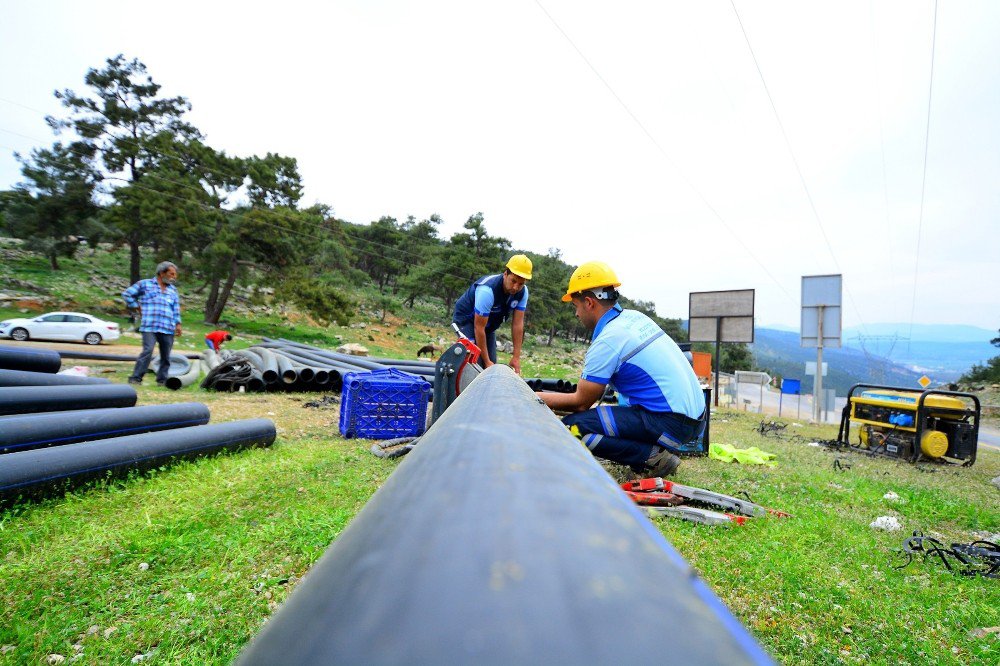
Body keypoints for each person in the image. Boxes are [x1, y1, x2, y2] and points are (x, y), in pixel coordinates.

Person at [537, 261, 705, 478]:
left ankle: (652, 457)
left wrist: (533, 397)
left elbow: (580, 403)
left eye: (575, 306)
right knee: (605, 418)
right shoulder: (635, 318)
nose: (576, 314)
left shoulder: (608, 340)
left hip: (672, 424)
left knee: (573, 428)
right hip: (696, 419)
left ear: (589, 303)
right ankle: (649, 452)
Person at [452, 254, 532, 374]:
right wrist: (486, 361)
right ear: (505, 274)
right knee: (476, 364)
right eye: (513, 281)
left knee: (490, 366)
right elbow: (478, 327)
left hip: (488, 326)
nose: (516, 287)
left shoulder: (523, 292)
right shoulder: (487, 290)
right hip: (466, 321)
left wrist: (516, 357)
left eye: (520, 284)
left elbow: (517, 325)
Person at [122, 261, 182, 385]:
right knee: (147, 351)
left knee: (166, 355)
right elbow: (127, 294)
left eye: (175, 274)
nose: (174, 277)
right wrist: (136, 306)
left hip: (167, 327)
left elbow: (175, 308)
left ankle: (162, 380)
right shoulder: (145, 284)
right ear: (161, 273)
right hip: (149, 325)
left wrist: (178, 324)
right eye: (171, 274)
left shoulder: (173, 290)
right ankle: (136, 378)